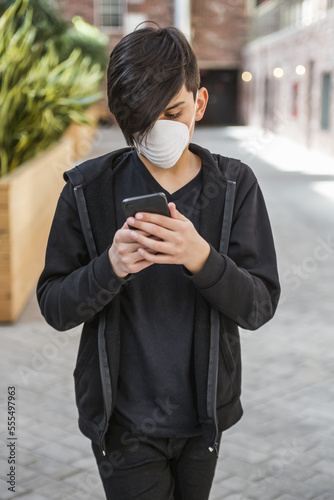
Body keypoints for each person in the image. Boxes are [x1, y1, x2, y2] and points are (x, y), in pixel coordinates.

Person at [36, 24, 280, 500]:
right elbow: (54, 305)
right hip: (122, 424)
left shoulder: (234, 186)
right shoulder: (87, 190)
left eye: (173, 111)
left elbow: (258, 305)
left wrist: (203, 258)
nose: (158, 129)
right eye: (142, 118)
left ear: (201, 103)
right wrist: (109, 267)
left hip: (204, 418)